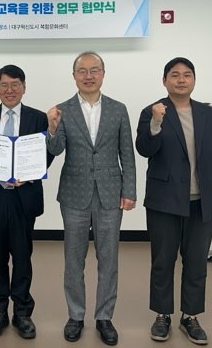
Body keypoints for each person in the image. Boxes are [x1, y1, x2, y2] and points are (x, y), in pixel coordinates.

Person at [135, 57, 212, 345]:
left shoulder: (209, 115)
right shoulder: (152, 111)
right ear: (164, 81)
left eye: (187, 75)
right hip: (164, 201)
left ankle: (190, 316)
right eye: (175, 75)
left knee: (196, 262)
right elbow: (144, 149)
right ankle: (162, 315)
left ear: (194, 80)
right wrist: (156, 123)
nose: (181, 80)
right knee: (163, 261)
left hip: (201, 201)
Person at [46, 51, 136, 346]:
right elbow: (56, 150)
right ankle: (75, 315)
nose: (88, 76)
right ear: (74, 76)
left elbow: (127, 154)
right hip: (74, 194)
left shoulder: (118, 109)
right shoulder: (63, 110)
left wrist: (130, 191)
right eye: (82, 71)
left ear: (103, 74)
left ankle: (104, 317)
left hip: (111, 193)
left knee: (108, 259)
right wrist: (52, 127)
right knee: (74, 259)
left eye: (94, 70)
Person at [0, 64, 53, 340]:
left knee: (22, 256)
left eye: (15, 84)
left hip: (23, 197)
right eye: (4, 85)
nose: (9, 90)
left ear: (24, 87)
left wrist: (29, 174)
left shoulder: (38, 118)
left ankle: (22, 312)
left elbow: (47, 155)